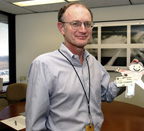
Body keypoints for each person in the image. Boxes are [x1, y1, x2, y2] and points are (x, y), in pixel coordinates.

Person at [25, 2, 138, 131]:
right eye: (75, 24)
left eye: (87, 24)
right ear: (61, 28)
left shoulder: (93, 62)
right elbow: (35, 124)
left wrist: (128, 77)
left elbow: (107, 93)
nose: (83, 30)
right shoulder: (43, 65)